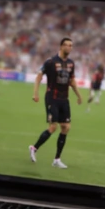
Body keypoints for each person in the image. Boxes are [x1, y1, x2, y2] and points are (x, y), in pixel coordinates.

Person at [30, 37, 82, 169]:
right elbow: (38, 76)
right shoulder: (50, 62)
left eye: (71, 45)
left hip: (64, 99)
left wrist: (78, 95)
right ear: (61, 46)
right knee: (53, 127)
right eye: (67, 45)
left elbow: (72, 81)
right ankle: (34, 148)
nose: (69, 48)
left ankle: (57, 159)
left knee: (66, 127)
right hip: (52, 98)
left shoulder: (71, 63)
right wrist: (35, 93)